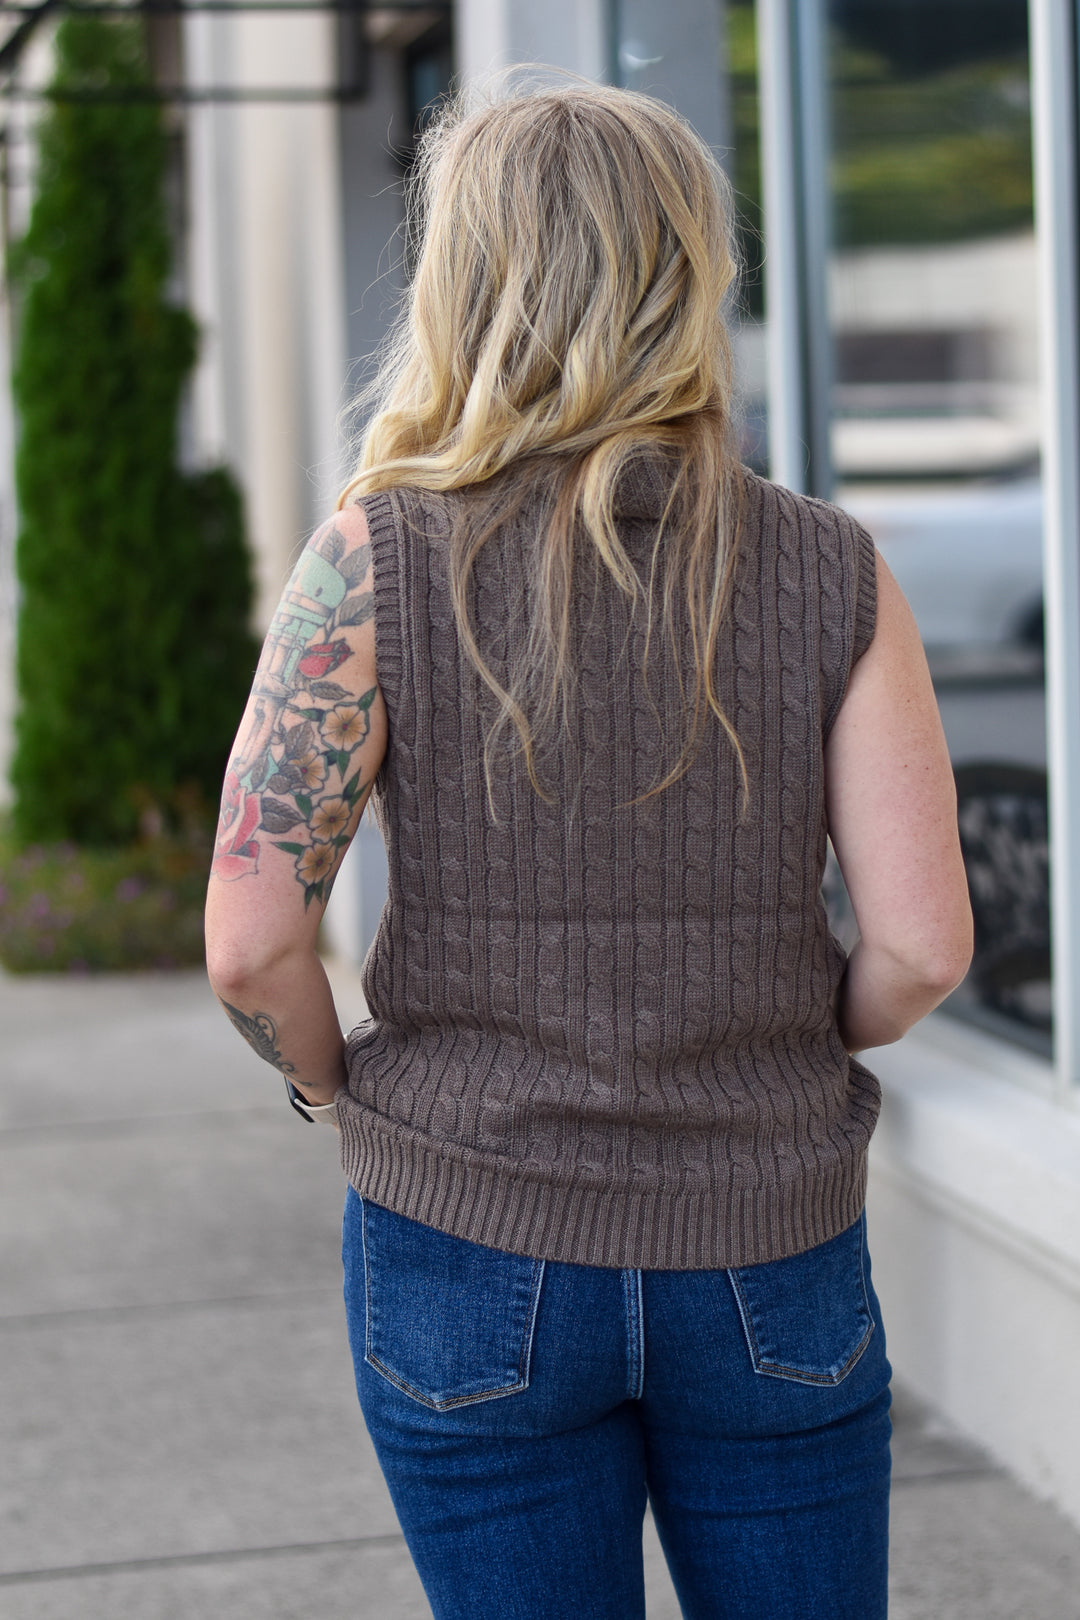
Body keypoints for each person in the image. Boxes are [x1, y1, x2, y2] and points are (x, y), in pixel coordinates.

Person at [205, 80, 973, 1620]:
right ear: (693, 276)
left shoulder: (373, 555)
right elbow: (924, 949)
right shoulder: (830, 567)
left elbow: (251, 939)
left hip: (463, 1236)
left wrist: (327, 1080)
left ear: (463, 282)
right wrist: (790, 1035)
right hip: (769, 1247)